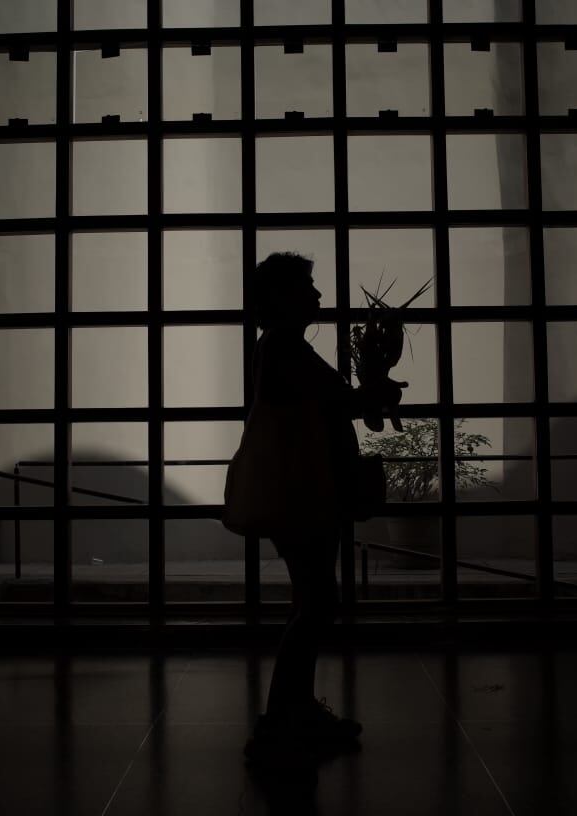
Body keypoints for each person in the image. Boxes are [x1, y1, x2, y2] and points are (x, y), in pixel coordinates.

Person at [242, 253, 405, 764]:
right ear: (282, 296)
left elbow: (327, 406)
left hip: (300, 490)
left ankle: (292, 711)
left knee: (312, 601)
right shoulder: (287, 351)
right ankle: (283, 716)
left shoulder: (279, 349)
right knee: (315, 603)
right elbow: (335, 406)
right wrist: (371, 390)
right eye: (307, 287)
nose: (316, 297)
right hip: (302, 494)